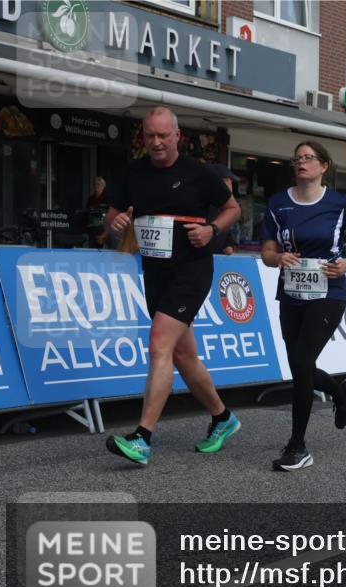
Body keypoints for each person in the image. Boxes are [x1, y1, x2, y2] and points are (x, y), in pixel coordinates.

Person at [103, 106, 241, 466]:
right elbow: (112, 215)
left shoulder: (198, 172)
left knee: (158, 345)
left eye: (164, 135)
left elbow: (232, 209)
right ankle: (223, 418)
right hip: (156, 273)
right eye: (150, 135)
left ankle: (143, 438)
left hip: (192, 271)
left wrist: (211, 230)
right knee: (183, 355)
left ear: (177, 136)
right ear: (143, 137)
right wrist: (116, 222)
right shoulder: (134, 173)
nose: (157, 142)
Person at [261, 141, 346, 471]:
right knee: (300, 366)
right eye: (297, 158)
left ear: (323, 166)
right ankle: (340, 393)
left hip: (329, 291)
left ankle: (297, 446)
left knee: (301, 361)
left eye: (309, 158)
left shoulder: (338, 205)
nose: (302, 163)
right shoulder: (278, 203)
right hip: (291, 293)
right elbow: (267, 253)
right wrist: (277, 257)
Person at [205, 163, 240, 255]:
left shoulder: (222, 207)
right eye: (228, 180)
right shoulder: (209, 207)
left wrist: (229, 245)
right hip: (202, 262)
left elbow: (228, 248)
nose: (231, 184)